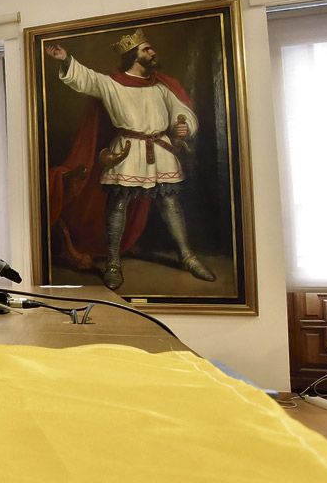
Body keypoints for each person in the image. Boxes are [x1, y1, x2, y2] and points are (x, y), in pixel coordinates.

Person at [44, 29, 215, 291]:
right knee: (118, 206)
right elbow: (85, 79)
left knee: (170, 205)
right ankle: (113, 263)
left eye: (150, 48)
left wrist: (184, 125)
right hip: (127, 151)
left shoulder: (161, 87)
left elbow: (182, 111)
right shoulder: (112, 84)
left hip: (161, 151)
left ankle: (187, 256)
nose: (152, 52)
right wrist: (66, 59)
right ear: (133, 55)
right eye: (146, 49)